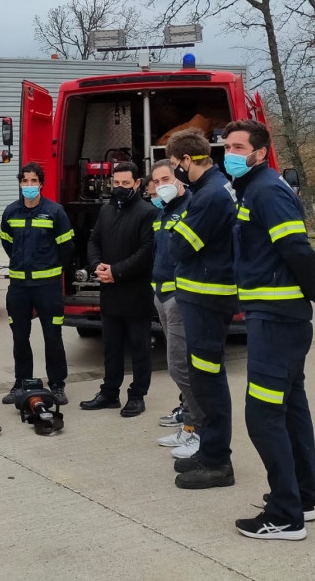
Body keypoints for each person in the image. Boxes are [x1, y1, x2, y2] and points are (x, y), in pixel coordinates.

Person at [223, 119, 315, 541]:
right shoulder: (254, 189)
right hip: (275, 317)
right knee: (289, 408)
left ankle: (285, 516)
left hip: (277, 319)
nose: (229, 152)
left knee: (264, 414)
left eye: (237, 146)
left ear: (260, 152)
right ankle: (301, 500)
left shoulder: (266, 190)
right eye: (227, 145)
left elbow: (295, 246)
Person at [167, 129, 239, 491]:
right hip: (203, 296)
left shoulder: (210, 195)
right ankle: (210, 450)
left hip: (207, 298)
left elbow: (180, 246)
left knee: (208, 381)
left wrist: (174, 229)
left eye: (175, 164)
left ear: (187, 160)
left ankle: (217, 462)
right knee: (203, 378)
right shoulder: (212, 188)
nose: (175, 171)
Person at [79, 161, 157, 417]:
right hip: (109, 293)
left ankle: (137, 395)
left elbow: (146, 252)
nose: (120, 188)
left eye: (125, 183)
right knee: (110, 346)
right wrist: (96, 267)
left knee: (139, 347)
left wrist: (117, 271)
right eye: (116, 183)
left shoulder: (148, 212)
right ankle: (109, 393)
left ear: (137, 184)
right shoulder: (106, 211)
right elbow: (94, 240)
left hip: (136, 293)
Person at [0, 161, 74, 405]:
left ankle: (57, 385)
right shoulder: (10, 212)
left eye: (33, 181)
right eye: (25, 181)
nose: (29, 185)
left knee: (52, 336)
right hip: (19, 288)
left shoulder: (55, 212)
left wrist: (49, 270)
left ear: (41, 183)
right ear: (20, 183)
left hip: (48, 288)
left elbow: (67, 248)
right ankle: (22, 383)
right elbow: (8, 245)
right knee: (20, 337)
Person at [148, 160, 204, 459]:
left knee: (181, 367)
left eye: (166, 178)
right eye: (156, 181)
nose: (161, 185)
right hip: (162, 293)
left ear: (179, 178)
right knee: (180, 366)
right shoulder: (164, 211)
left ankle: (201, 431)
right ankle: (191, 427)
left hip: (180, 297)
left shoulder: (191, 208)